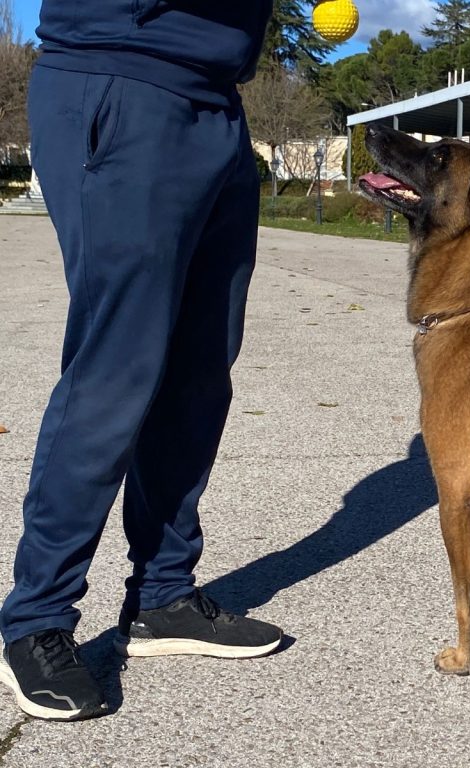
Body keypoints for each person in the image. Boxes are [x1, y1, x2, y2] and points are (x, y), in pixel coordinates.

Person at [0, 0, 282, 721]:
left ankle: (162, 595)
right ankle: (35, 618)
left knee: (199, 374)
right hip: (120, 83)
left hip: (218, 103)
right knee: (117, 366)